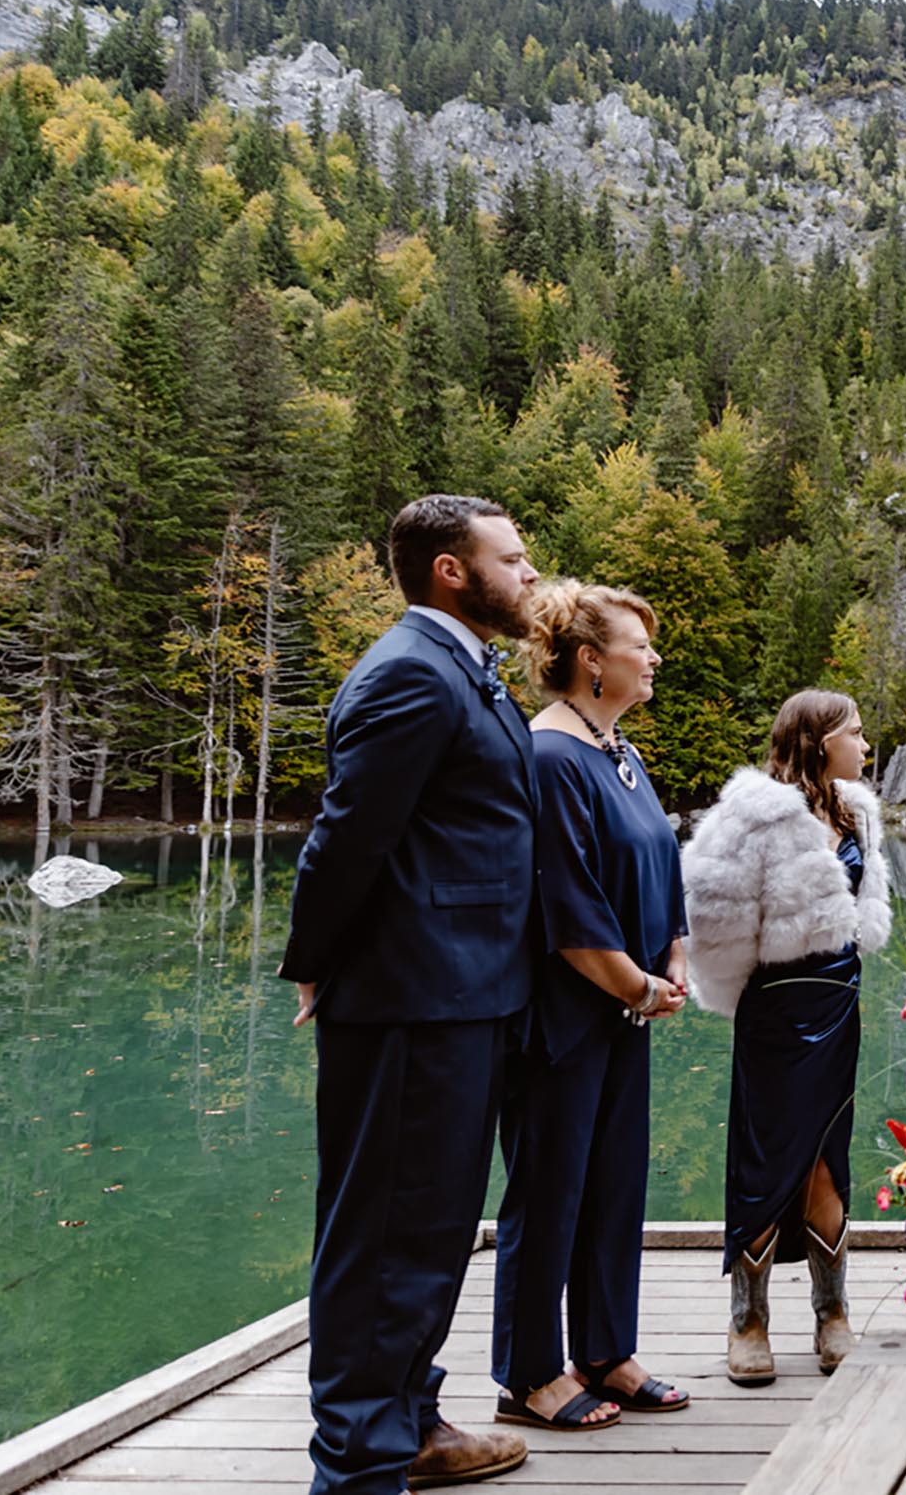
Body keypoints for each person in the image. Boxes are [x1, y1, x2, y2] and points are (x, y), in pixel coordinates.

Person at [281, 495, 539, 1493]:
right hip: (405, 1002)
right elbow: (346, 838)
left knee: (427, 1230)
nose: (528, 575)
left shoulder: (461, 669)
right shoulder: (407, 675)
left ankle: (412, 1420)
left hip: (463, 996)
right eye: (510, 560)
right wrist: (316, 958)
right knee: (386, 1236)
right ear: (450, 570)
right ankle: (357, 1461)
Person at [489, 582, 689, 1433]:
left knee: (614, 1184)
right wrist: (636, 982)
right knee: (549, 1189)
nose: (652, 658)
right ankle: (531, 1371)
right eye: (637, 645)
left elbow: (660, 865)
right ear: (589, 660)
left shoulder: (618, 750)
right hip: (562, 1018)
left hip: (627, 1010)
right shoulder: (548, 755)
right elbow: (566, 905)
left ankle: (606, 1349)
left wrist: (671, 955)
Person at [681, 690, 893, 1385]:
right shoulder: (753, 818)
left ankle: (832, 1313)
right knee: (766, 1159)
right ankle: (748, 1319)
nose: (866, 744)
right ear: (817, 738)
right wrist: (748, 988)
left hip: (841, 1004)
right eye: (855, 733)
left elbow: (860, 910)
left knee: (828, 1157)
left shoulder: (856, 810)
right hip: (775, 1010)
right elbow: (709, 916)